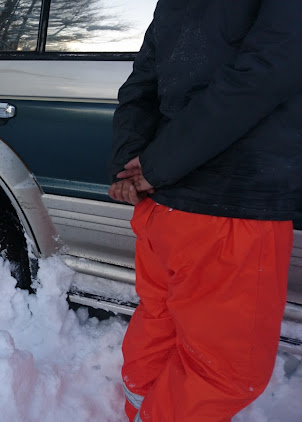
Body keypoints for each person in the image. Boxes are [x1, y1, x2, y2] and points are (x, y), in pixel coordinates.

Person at [108, 1, 302, 421]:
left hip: (166, 212)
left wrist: (135, 166)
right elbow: (265, 73)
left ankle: (139, 411)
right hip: (232, 211)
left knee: (160, 323)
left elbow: (139, 87)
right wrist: (151, 168)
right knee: (228, 372)